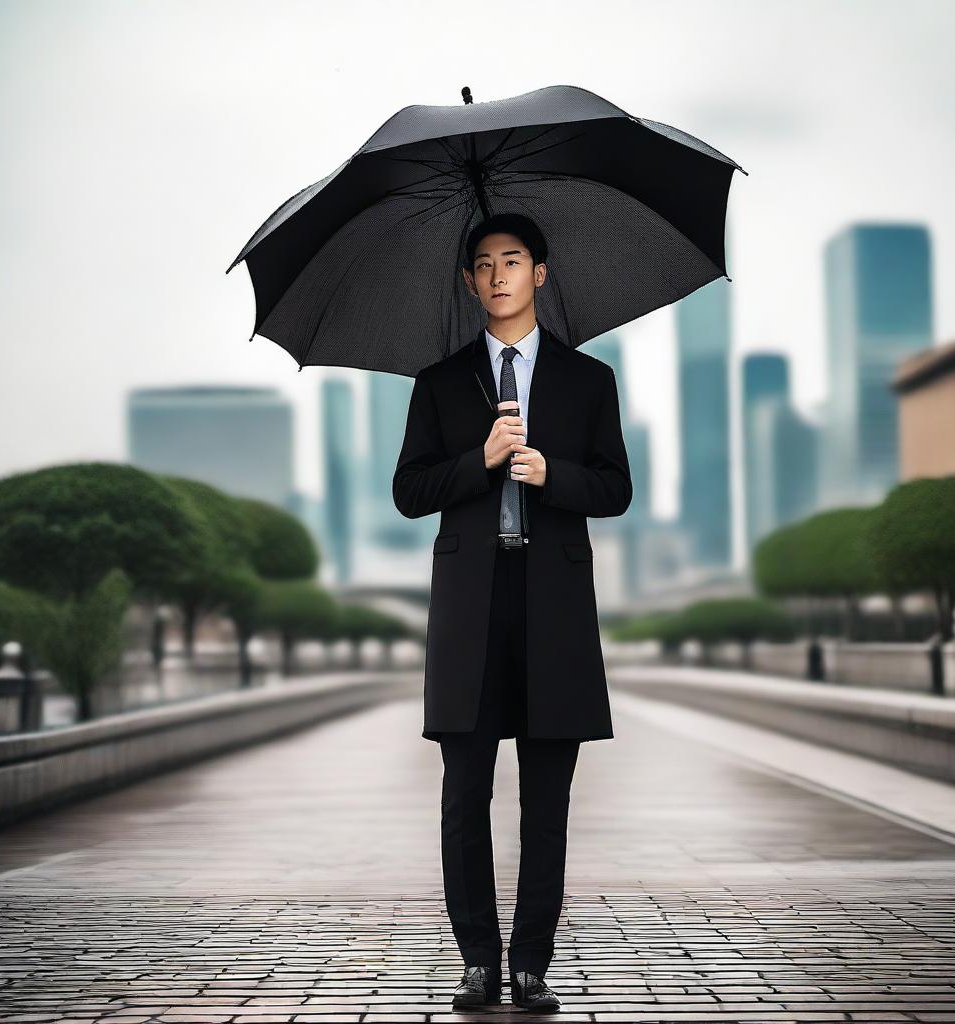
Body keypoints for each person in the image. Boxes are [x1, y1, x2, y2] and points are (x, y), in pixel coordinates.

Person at [393, 212, 632, 1013]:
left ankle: (531, 962)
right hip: (470, 609)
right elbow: (410, 491)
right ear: (469, 283)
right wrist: (481, 460)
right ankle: (477, 961)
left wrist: (547, 472)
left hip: (554, 605)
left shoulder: (588, 380)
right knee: (464, 793)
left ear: (541, 272)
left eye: (513, 261)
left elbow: (616, 488)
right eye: (484, 264)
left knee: (548, 796)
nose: (499, 276)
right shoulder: (438, 383)